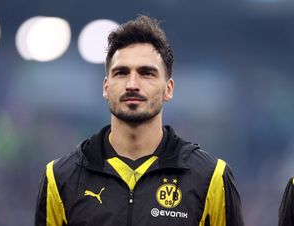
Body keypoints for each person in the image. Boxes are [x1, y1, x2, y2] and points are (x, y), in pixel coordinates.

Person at [34, 15, 244, 226]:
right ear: (106, 87)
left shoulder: (211, 177)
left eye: (146, 73)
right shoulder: (60, 177)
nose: (132, 84)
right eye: (121, 73)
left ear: (168, 89)